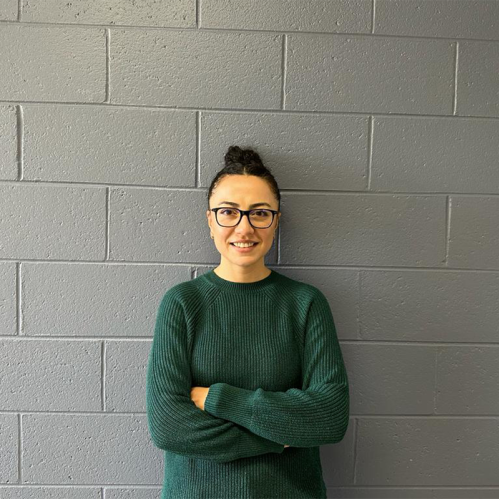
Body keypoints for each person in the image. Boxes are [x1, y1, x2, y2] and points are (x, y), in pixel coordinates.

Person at [146, 145, 350, 498]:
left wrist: (219, 400)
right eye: (228, 212)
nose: (244, 227)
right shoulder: (182, 303)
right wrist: (279, 436)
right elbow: (169, 426)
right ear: (210, 220)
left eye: (259, 213)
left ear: (276, 221)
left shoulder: (305, 303)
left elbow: (328, 417)